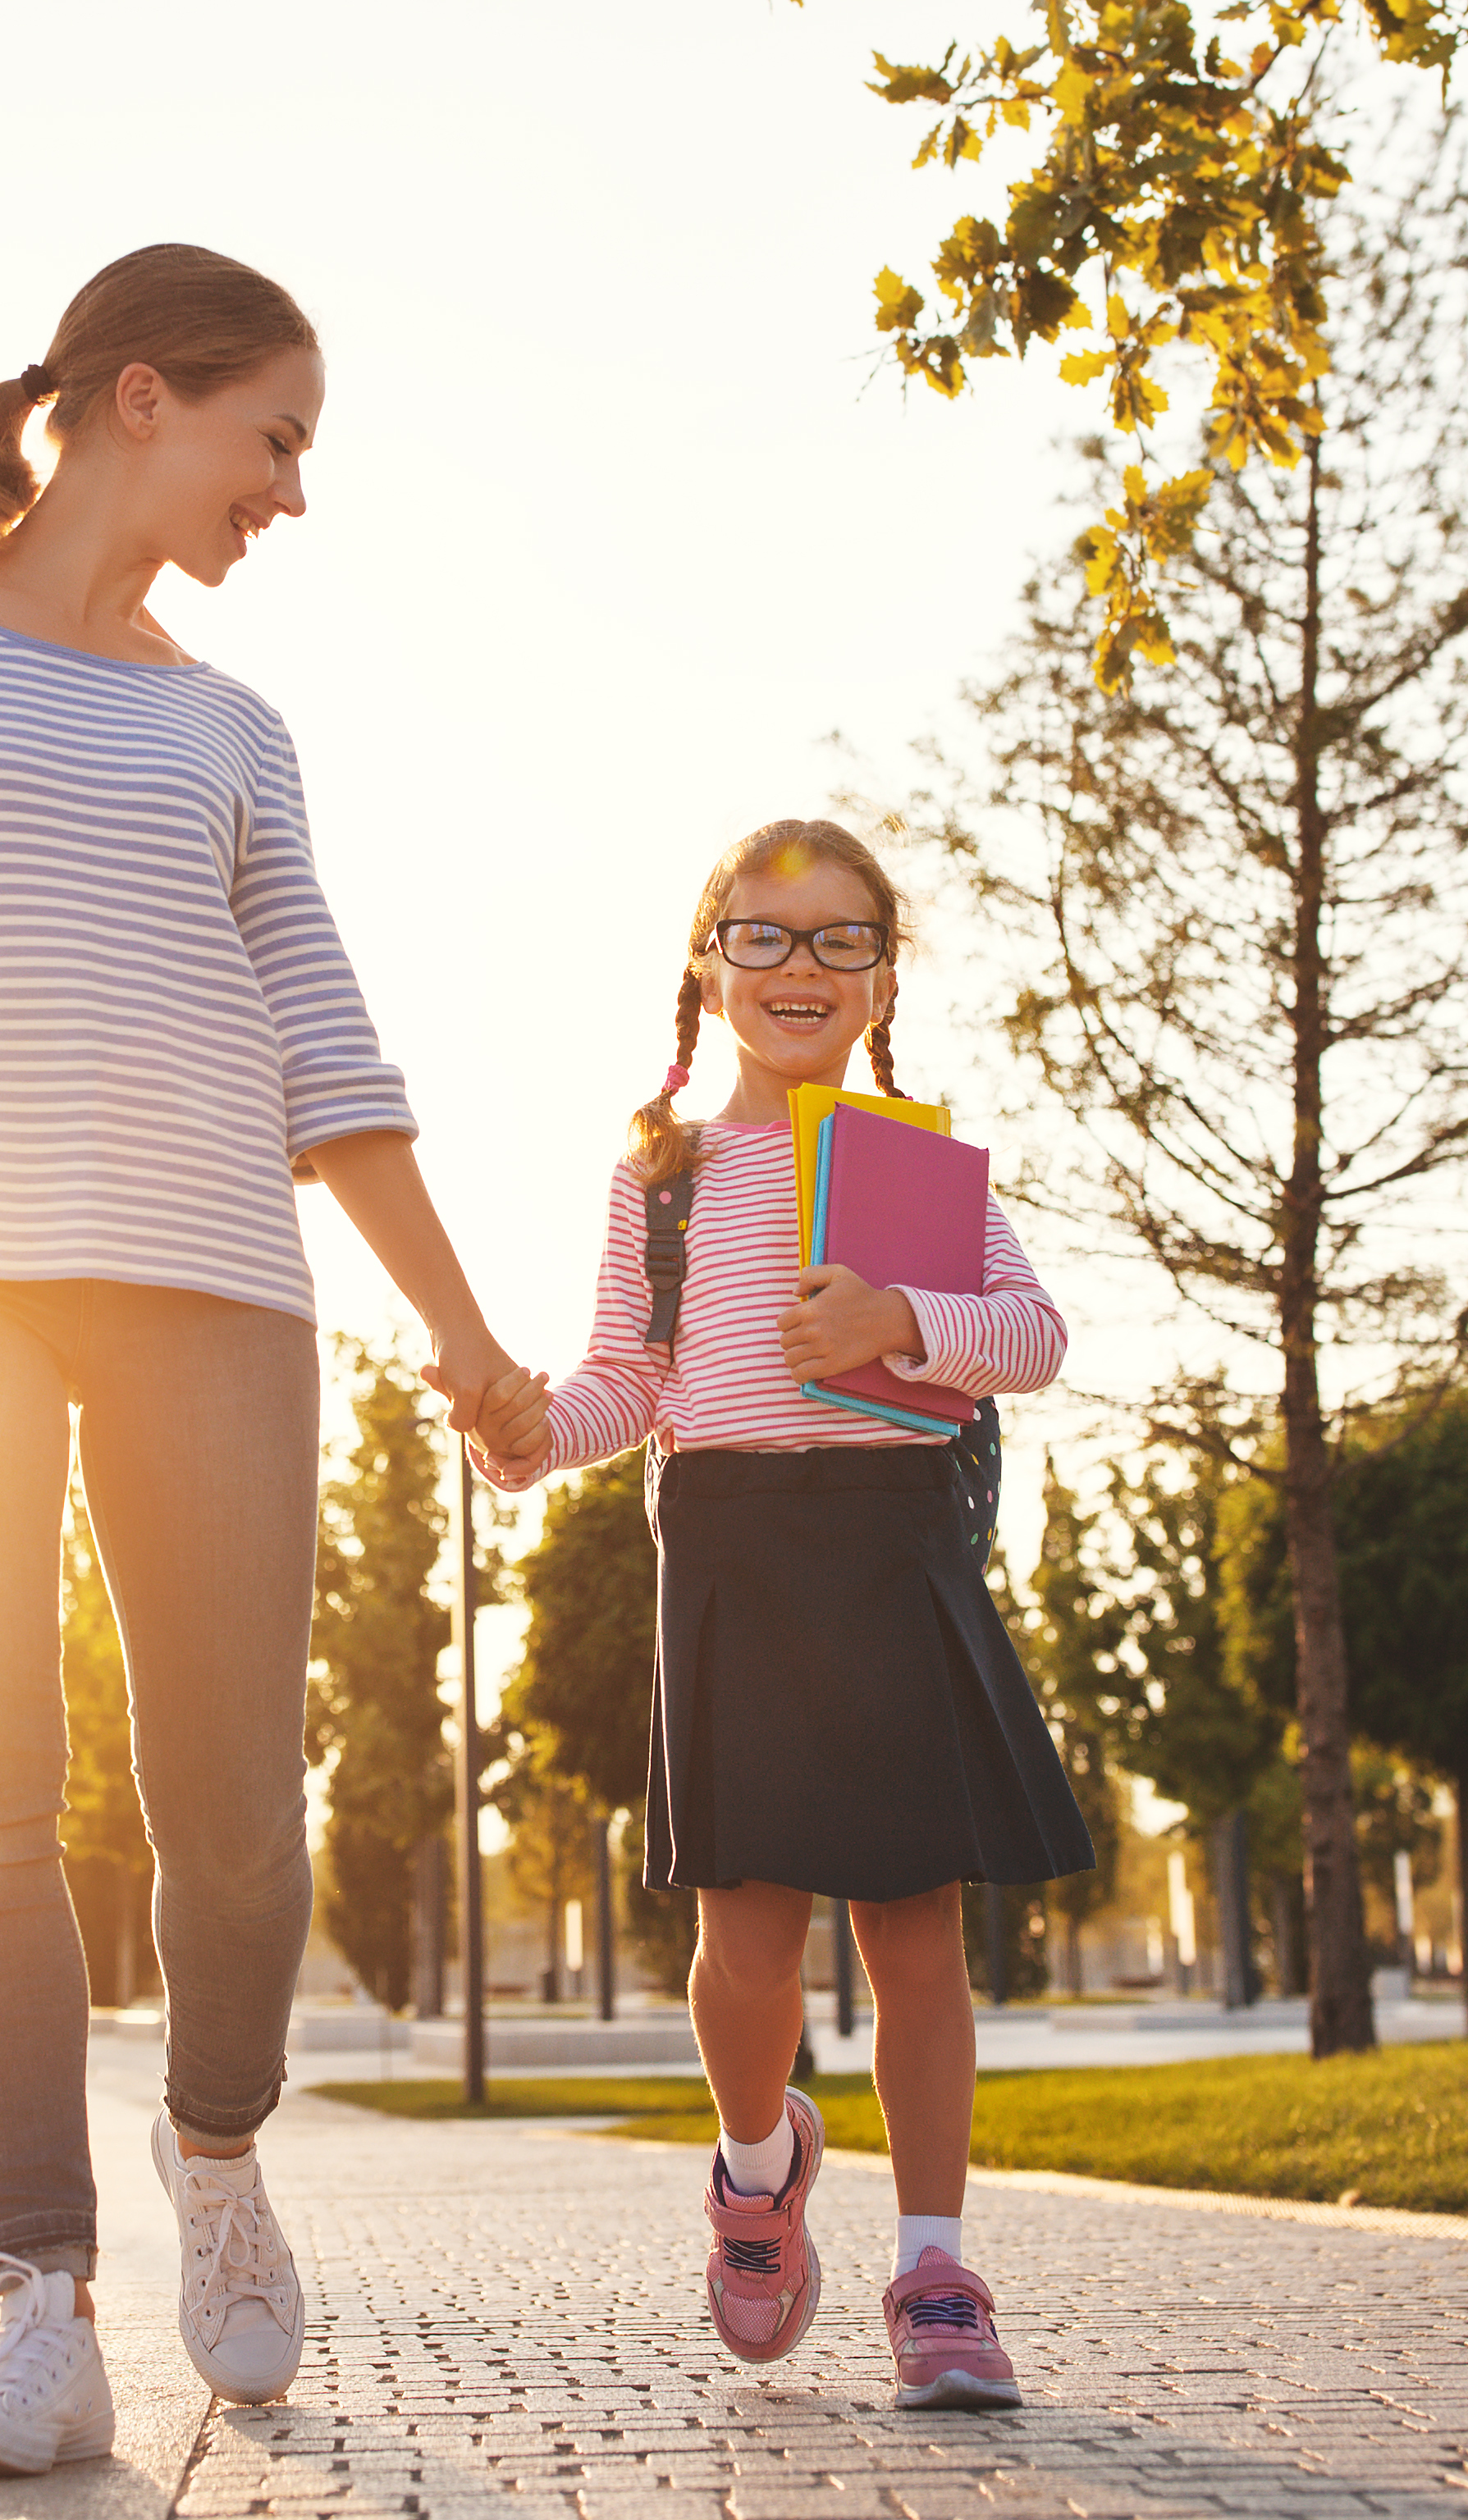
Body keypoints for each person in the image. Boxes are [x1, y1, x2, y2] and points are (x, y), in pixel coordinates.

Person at [0, 243, 533, 2479]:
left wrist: (460, 1336)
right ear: (139, 400)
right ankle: (35, 2302)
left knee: (233, 1815)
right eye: (278, 440)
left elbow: (328, 1053)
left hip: (211, 1289)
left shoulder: (231, 728)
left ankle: (219, 2149)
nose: (291, 492)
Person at [462, 818, 1089, 2413]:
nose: (800, 967)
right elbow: (631, 1382)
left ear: (885, 973)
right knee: (740, 1943)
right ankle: (760, 2166)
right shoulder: (661, 1178)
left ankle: (935, 2272)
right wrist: (536, 1434)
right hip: (731, 1550)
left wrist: (903, 1320)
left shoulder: (919, 1168)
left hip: (894, 1548)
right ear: (708, 963)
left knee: (915, 1933)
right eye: (764, 935)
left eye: (838, 939)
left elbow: (1030, 1336)